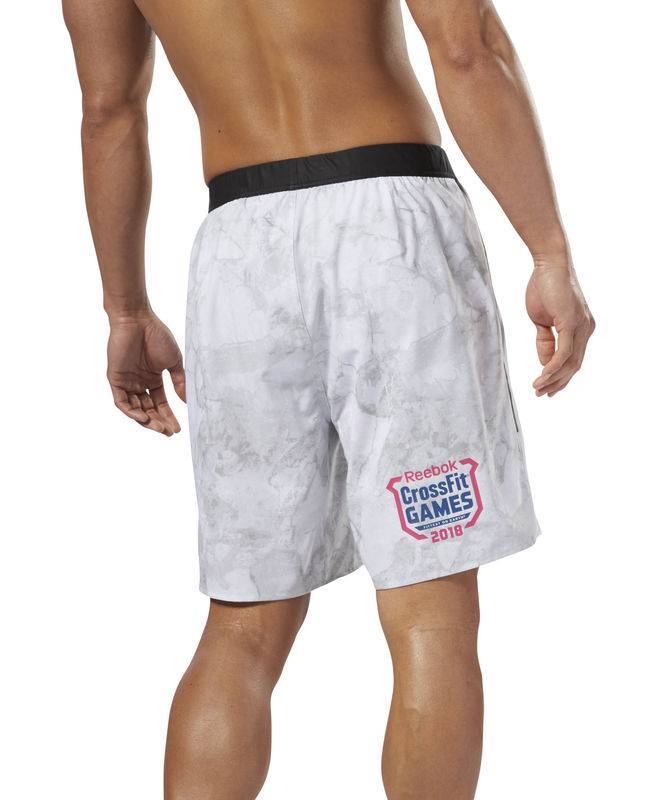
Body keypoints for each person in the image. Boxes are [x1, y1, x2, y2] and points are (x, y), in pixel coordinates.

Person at [64, 0, 594, 797]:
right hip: (391, 231)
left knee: (246, 621)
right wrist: (548, 250)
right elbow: (467, 48)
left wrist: (125, 309)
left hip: (240, 247)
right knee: (431, 609)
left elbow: (108, 111)